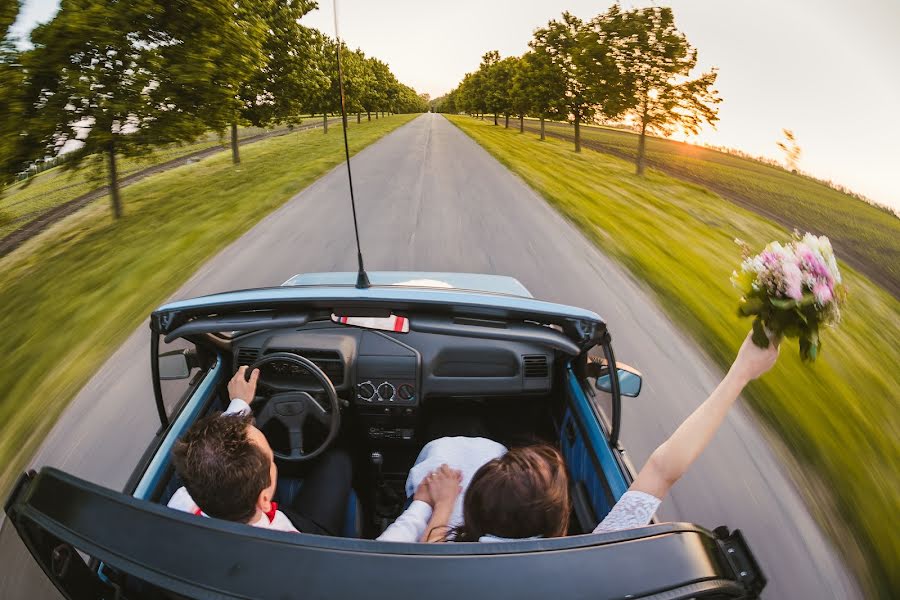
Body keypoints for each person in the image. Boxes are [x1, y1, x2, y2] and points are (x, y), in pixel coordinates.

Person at [423, 330, 780, 542]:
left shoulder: (444, 561)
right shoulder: (596, 558)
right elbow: (662, 469)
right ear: (560, 524)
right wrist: (741, 372)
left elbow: (432, 548)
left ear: (470, 516)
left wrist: (440, 505)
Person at [167, 366, 353, 535]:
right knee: (338, 459)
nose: (273, 462)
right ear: (265, 499)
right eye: (272, 460)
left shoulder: (182, 502)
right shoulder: (291, 541)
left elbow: (213, 451)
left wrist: (239, 402)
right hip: (305, 531)